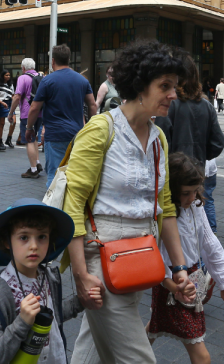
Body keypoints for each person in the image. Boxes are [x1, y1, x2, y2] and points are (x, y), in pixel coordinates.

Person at [62, 40, 196, 363]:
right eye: (165, 86)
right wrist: (81, 275)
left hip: (137, 261)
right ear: (138, 85)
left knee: (88, 354)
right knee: (139, 359)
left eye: (175, 87)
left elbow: (164, 208)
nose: (173, 95)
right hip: (101, 265)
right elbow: (72, 206)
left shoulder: (158, 138)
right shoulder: (100, 131)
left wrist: (179, 268)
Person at [0, 198, 94, 363]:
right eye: (24, 237)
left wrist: (82, 301)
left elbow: (54, 315)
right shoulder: (0, 293)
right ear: (6, 241)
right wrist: (21, 323)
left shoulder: (48, 276)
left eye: (42, 237)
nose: (34, 246)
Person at [146, 152, 224, 362]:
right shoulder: (160, 214)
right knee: (202, 356)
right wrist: (172, 285)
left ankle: (127, 357)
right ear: (172, 190)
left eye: (196, 191)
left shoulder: (195, 206)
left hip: (189, 283)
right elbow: (154, 258)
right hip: (172, 285)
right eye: (186, 193)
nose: (192, 197)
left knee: (154, 328)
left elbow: (210, 244)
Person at [154, 55, 224, 233]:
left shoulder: (169, 105)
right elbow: (218, 142)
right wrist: (201, 155)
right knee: (196, 219)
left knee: (175, 224)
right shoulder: (206, 105)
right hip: (198, 172)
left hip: (173, 176)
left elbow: (160, 143)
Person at [24, 45, 97, 188]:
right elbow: (92, 105)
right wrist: (91, 127)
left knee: (55, 175)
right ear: (69, 59)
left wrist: (29, 128)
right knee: (73, 174)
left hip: (55, 134)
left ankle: (53, 207)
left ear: (53, 61)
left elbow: (34, 108)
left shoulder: (47, 80)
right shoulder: (82, 80)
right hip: (77, 135)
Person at [9, 58, 43, 178]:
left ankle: (33, 170)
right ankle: (37, 163)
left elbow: (17, 97)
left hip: (27, 113)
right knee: (34, 138)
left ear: (23, 68)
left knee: (29, 139)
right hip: (40, 112)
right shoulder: (40, 76)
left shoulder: (22, 78)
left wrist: (11, 112)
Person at [0, 70, 15, 148]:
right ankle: (0, 140)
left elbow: (13, 94)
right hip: (2, 103)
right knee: (2, 123)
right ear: (3, 76)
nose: (8, 77)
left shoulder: (11, 85)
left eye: (9, 75)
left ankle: (9, 139)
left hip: (10, 103)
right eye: (6, 75)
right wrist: (1, 103)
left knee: (13, 121)